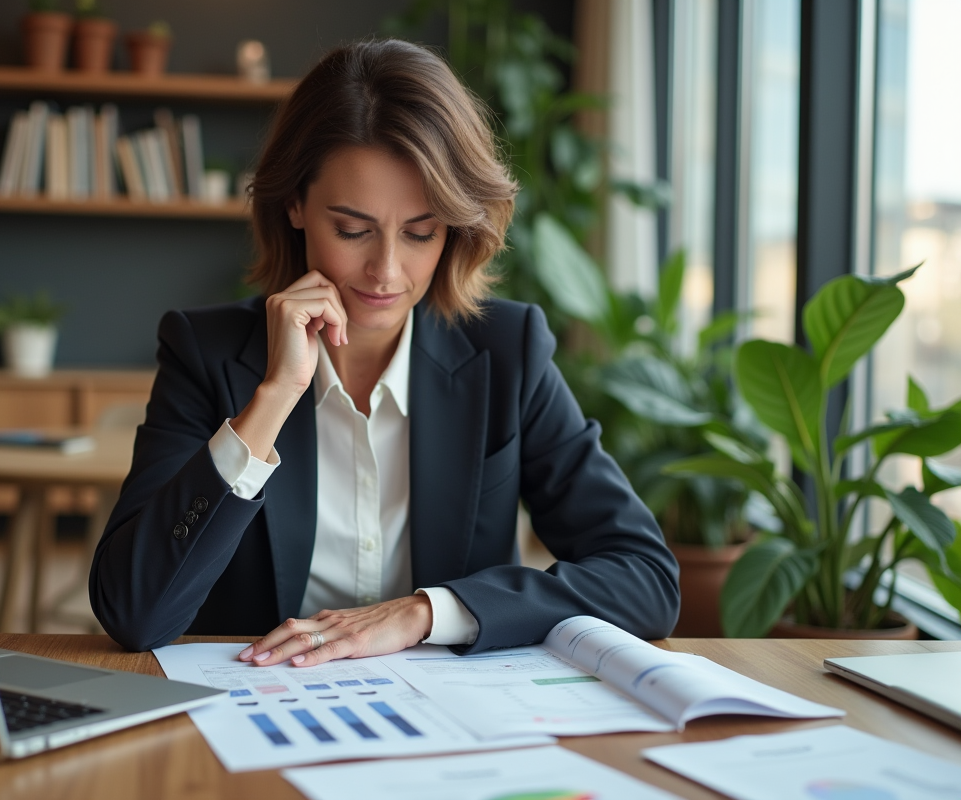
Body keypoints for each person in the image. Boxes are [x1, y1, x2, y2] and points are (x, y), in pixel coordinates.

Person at [89, 39, 679, 665]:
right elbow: (134, 612)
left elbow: (645, 576)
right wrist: (272, 401)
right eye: (352, 230)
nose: (386, 272)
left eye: (421, 233)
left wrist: (426, 611)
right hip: (259, 709)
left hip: (446, 726)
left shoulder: (507, 352)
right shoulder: (205, 353)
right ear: (293, 204)